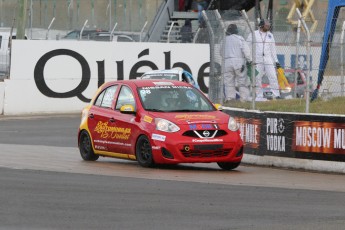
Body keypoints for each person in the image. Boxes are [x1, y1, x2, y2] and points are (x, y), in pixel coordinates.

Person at [247, 19, 281, 101]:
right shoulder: (253, 34)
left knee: (273, 76)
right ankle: (258, 95)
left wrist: (276, 61)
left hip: (268, 58)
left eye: (269, 25)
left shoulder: (270, 35)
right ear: (261, 25)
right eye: (266, 25)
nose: (268, 26)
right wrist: (249, 59)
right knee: (257, 77)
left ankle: (276, 94)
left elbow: (273, 49)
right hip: (257, 59)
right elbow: (247, 47)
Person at [223, 24, 252, 102]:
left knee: (229, 82)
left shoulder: (224, 40)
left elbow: (220, 52)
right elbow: (246, 51)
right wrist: (250, 60)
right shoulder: (240, 38)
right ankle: (244, 99)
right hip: (239, 62)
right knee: (242, 81)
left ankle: (230, 98)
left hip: (227, 62)